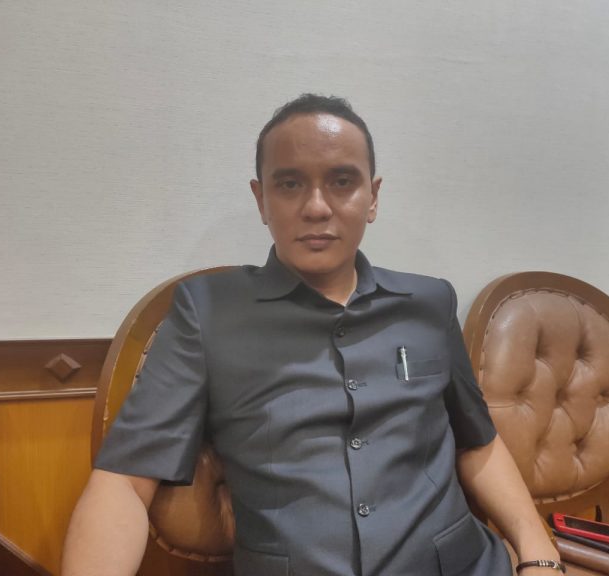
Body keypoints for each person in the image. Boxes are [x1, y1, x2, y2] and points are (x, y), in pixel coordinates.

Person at [62, 94, 563, 575]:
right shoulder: (206, 312)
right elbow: (125, 482)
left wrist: (537, 551)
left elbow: (478, 443)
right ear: (261, 199)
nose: (317, 207)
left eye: (342, 181)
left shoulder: (429, 303)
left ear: (372, 197)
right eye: (289, 184)